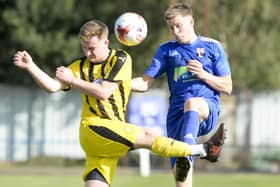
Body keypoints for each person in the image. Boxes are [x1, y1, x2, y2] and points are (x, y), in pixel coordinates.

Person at [13, 19, 225, 187]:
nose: (88, 53)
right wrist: (31, 66)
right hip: (94, 127)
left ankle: (187, 153)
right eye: (84, 47)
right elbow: (52, 86)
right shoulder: (79, 66)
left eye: (92, 48)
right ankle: (203, 150)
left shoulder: (120, 59)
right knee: (148, 137)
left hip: (106, 136)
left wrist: (73, 80)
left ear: (106, 42)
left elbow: (104, 91)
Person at [131, 3, 232, 187]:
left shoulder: (212, 47)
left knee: (192, 103)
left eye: (179, 26)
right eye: (171, 28)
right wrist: (120, 84)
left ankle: (188, 151)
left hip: (205, 108)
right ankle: (202, 150)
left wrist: (203, 74)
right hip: (176, 116)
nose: (176, 31)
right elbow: (145, 83)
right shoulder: (166, 50)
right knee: (182, 183)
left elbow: (227, 86)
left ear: (191, 21)